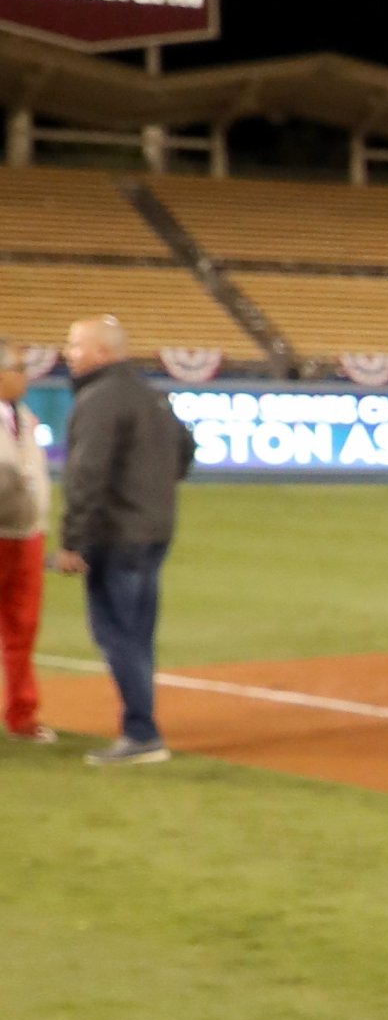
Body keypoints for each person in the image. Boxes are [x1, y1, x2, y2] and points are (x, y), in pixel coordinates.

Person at [51, 314, 194, 766]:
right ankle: (141, 725)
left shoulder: (98, 399)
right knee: (138, 632)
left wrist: (72, 540)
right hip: (154, 530)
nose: (68, 353)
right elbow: (186, 450)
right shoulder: (151, 395)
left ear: (102, 353)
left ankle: (141, 734)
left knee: (117, 634)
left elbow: (86, 474)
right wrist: (153, 491)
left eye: (76, 345)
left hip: (116, 535)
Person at [0, 338, 53, 743]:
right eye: (16, 369)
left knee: (23, 627)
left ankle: (22, 714)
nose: (24, 377)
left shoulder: (25, 417)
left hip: (27, 535)